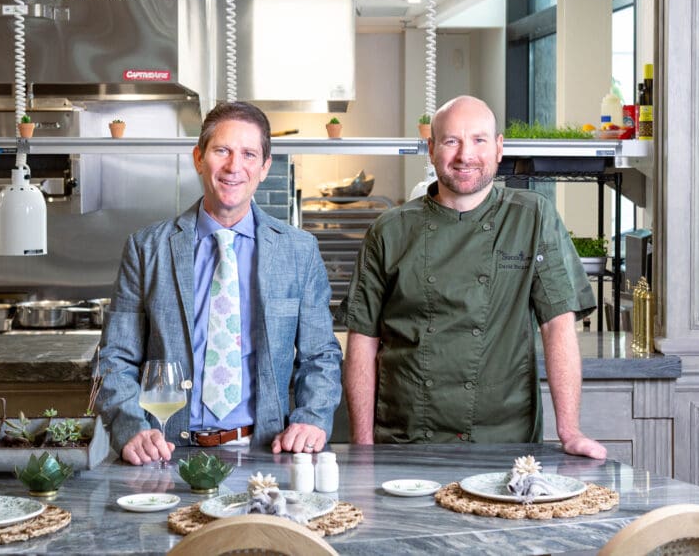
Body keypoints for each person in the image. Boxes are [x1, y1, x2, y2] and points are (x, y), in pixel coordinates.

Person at [340, 95, 607, 460]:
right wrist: (363, 446)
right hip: (406, 440)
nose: (465, 155)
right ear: (431, 149)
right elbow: (362, 339)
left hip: (506, 441)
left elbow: (557, 326)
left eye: (479, 140)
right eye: (451, 141)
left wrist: (570, 431)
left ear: (499, 148)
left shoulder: (531, 217)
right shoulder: (389, 229)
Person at [98, 101, 342, 466]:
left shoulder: (298, 250)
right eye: (222, 151)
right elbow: (115, 357)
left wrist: (312, 417)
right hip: (164, 454)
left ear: (264, 167)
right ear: (199, 158)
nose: (234, 166)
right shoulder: (147, 248)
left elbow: (320, 355)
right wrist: (130, 427)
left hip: (264, 452)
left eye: (248, 154)